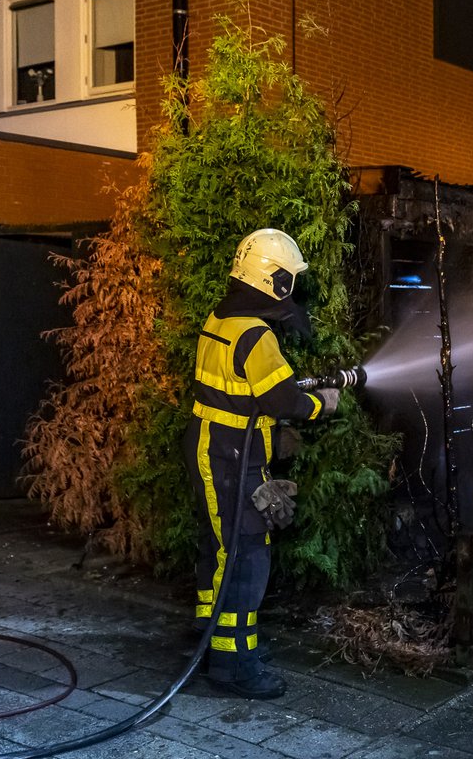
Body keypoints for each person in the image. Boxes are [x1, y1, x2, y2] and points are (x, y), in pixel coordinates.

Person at [181, 228, 339, 699]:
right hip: (231, 456)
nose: (293, 286)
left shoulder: (223, 317)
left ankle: (212, 644)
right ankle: (235, 667)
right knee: (247, 558)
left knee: (219, 550)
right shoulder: (255, 333)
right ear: (274, 280)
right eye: (289, 277)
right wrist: (321, 405)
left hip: (216, 447)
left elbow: (241, 391)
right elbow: (281, 398)